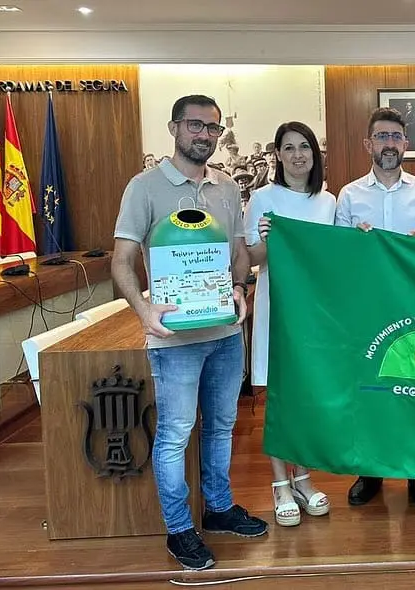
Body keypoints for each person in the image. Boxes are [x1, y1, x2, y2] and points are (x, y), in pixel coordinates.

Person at [112, 94, 267, 572]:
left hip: (224, 333)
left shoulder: (227, 187)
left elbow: (238, 252)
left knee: (221, 427)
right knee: (176, 434)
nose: (204, 135)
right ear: (174, 128)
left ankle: (218, 508)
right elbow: (121, 260)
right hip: (174, 340)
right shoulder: (144, 187)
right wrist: (143, 309)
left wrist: (240, 288)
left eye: (212, 128)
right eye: (195, 125)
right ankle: (179, 528)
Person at [335, 107, 415, 512]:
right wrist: (359, 247)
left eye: (396, 137)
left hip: (413, 308)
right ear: (368, 143)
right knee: (371, 391)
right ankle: (370, 471)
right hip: (368, 310)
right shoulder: (349, 195)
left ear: (406, 144)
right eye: (381, 136)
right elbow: (339, 257)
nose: (389, 144)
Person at [244, 121, 335, 527]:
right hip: (276, 306)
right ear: (278, 156)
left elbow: (333, 257)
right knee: (277, 395)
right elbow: (251, 259)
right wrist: (266, 239)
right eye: (289, 148)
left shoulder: (328, 202)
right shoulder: (262, 199)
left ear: (315, 154)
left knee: (306, 395)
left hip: (313, 312)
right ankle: (280, 482)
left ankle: (303, 478)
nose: (298, 155)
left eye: (305, 147)